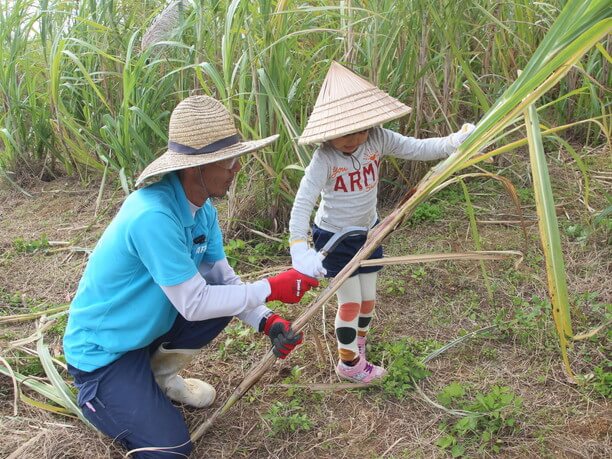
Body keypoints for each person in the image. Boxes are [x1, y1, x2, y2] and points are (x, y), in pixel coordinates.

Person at [63, 95, 318, 458]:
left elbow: (222, 281)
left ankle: (157, 377)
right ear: (196, 167)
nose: (237, 168)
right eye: (229, 161)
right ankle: (102, 399)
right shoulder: (153, 215)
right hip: (103, 354)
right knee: (170, 451)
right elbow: (195, 303)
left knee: (225, 300)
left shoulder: (202, 210)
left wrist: (267, 320)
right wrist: (272, 287)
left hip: (144, 336)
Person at [289, 62, 474, 384]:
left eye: (360, 129)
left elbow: (418, 148)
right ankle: (349, 365)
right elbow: (303, 202)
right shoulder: (325, 159)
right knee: (350, 302)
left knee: (369, 299)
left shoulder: (376, 138)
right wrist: (298, 246)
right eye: (344, 133)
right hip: (334, 239)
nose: (354, 138)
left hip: (370, 231)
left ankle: (357, 346)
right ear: (328, 130)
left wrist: (455, 141)